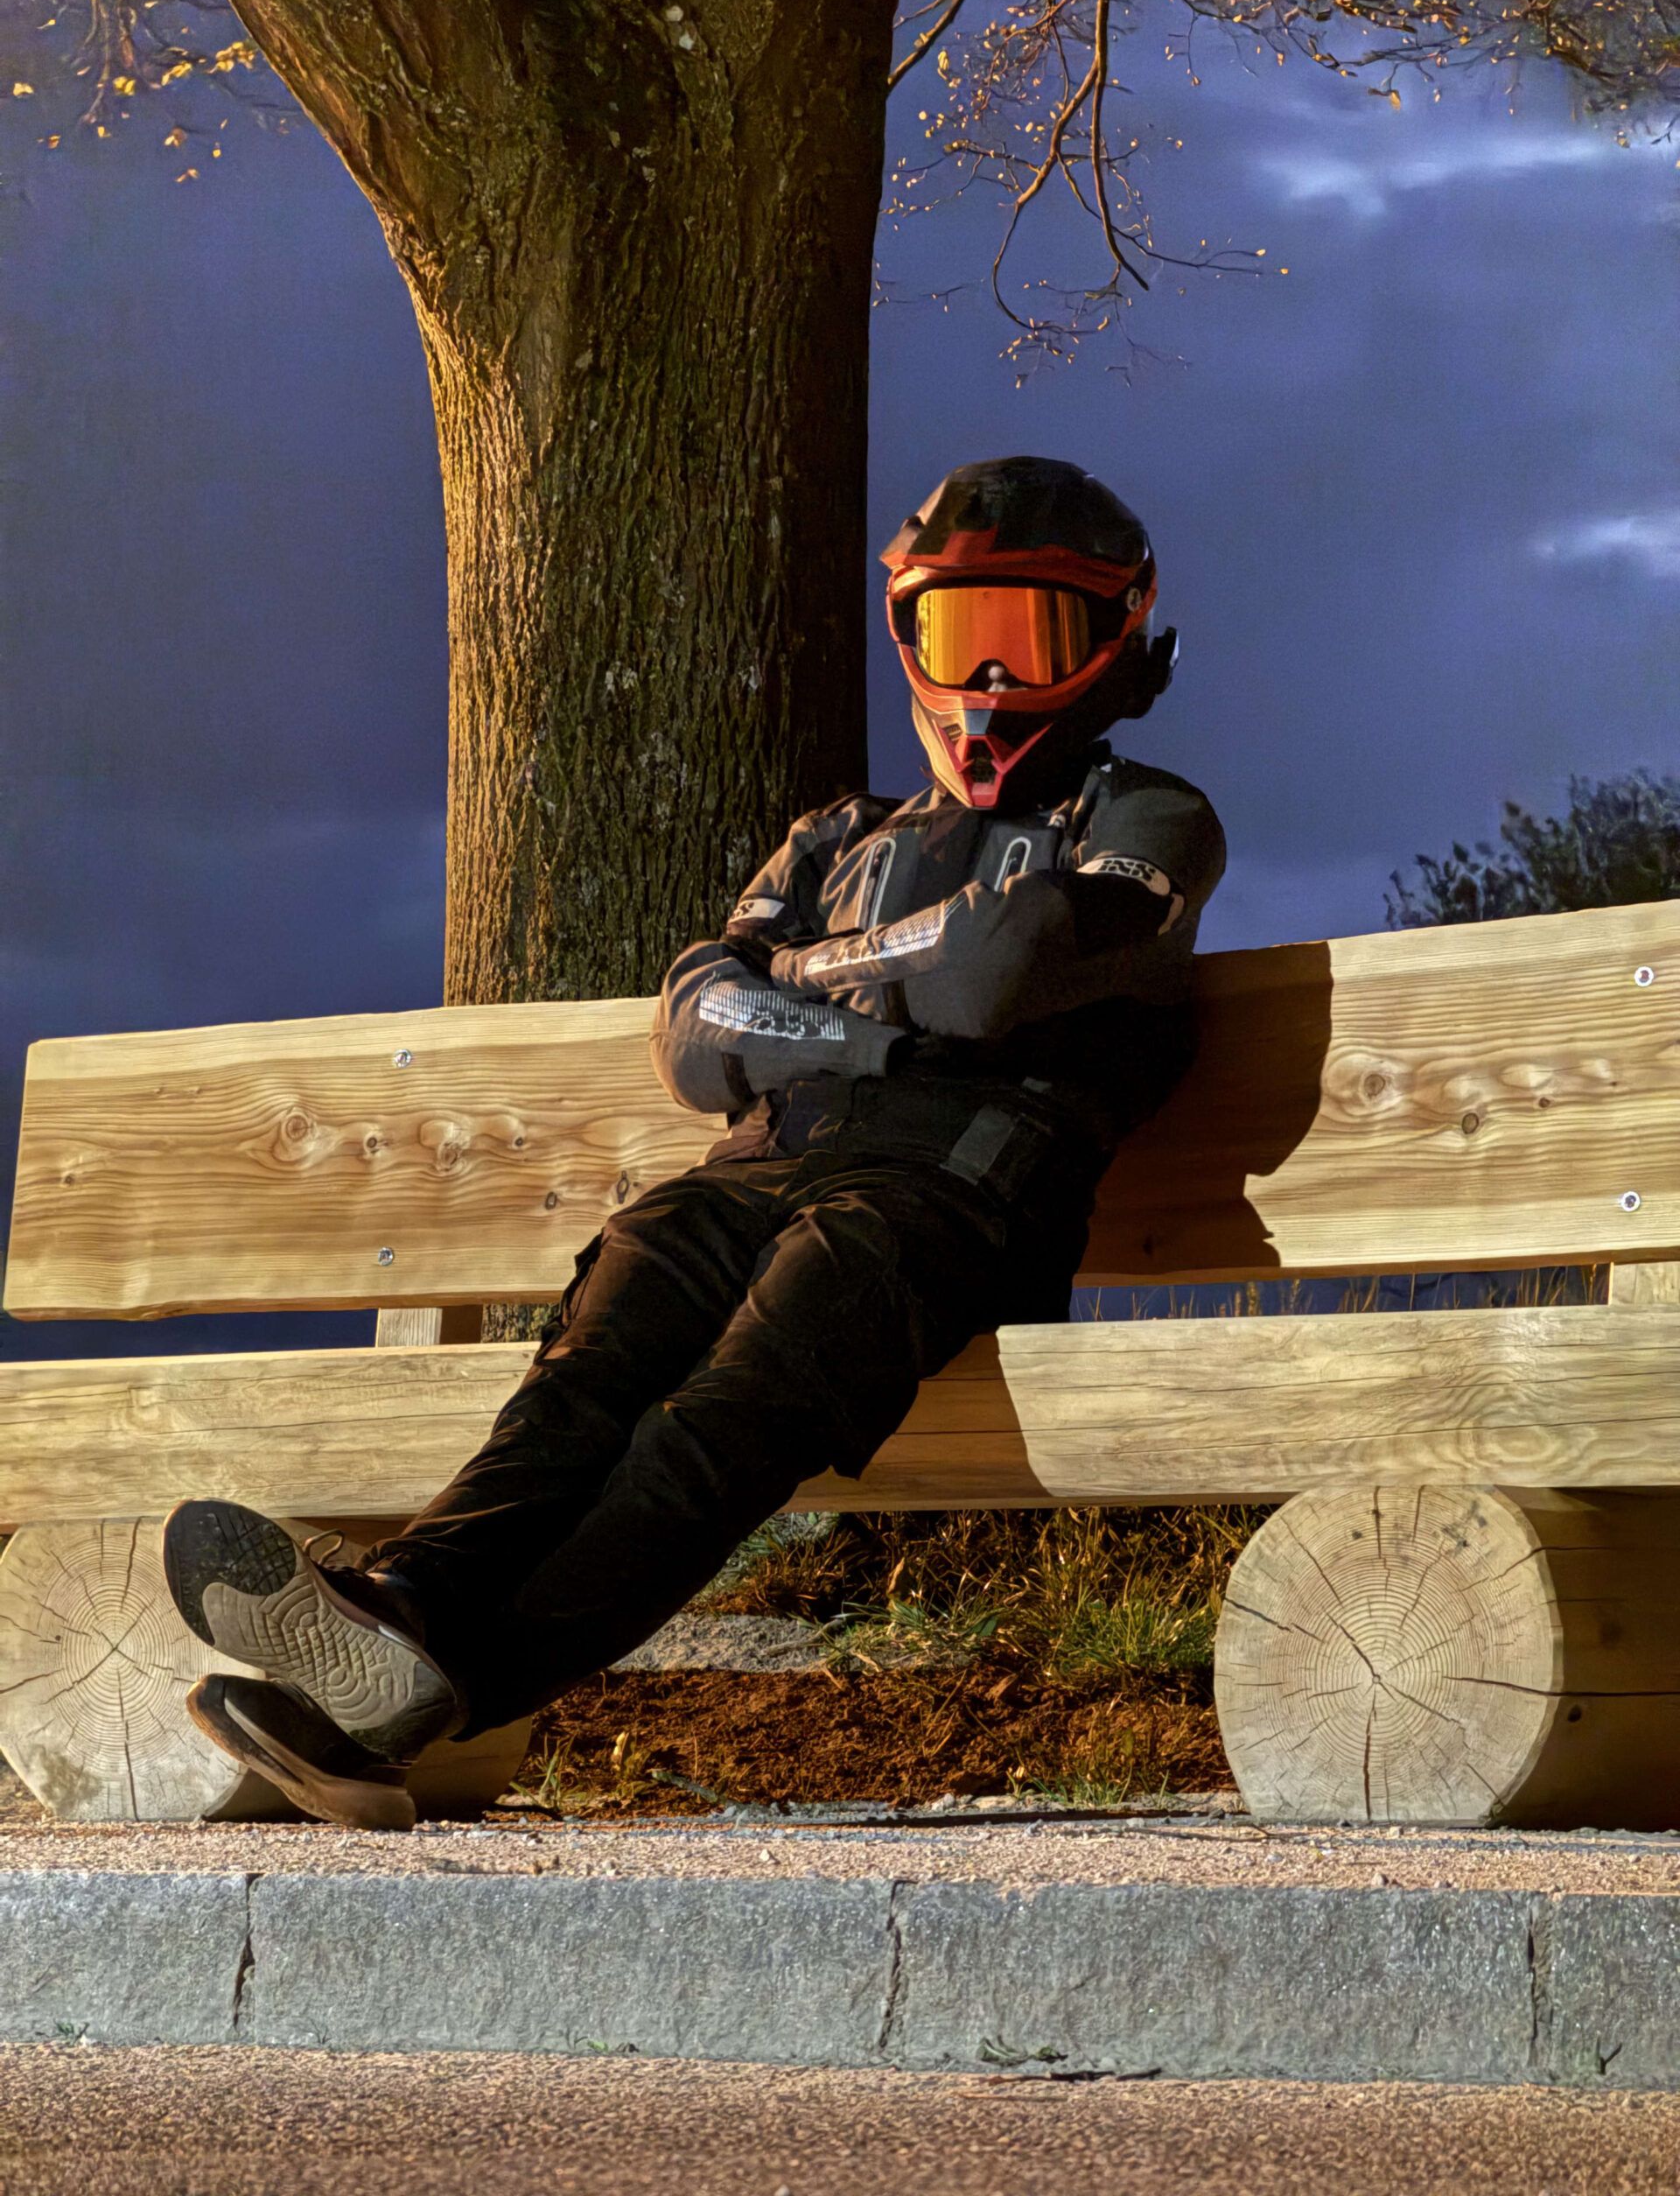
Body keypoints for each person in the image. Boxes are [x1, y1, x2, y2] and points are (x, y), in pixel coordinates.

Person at [160, 454, 1228, 1830]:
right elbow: (696, 1027)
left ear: (1122, 639)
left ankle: (432, 1685)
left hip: (957, 1191)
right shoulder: (840, 833)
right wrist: (884, 1021)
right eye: (964, 635)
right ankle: (401, 1611)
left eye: (1037, 636)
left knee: (722, 1415)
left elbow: (999, 969)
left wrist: (816, 990)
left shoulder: (1149, 819)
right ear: (908, 636)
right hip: (761, 1170)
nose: (997, 684)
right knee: (590, 1363)